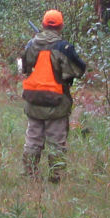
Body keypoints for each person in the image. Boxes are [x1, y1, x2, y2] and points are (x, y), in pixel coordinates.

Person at [20, 9, 86, 183]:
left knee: (33, 140)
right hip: (57, 103)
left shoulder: (31, 44)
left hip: (33, 101)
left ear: (42, 25)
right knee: (56, 142)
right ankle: (56, 178)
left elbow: (24, 67)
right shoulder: (64, 47)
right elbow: (79, 70)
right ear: (61, 26)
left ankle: (30, 176)